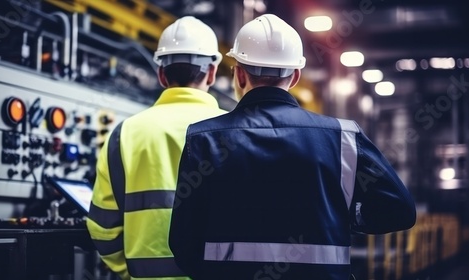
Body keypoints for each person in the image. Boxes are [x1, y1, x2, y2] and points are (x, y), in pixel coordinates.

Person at [169, 14, 416, 280]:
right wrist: (345, 215)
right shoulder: (344, 136)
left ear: (239, 74)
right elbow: (400, 211)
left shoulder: (203, 138)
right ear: (296, 76)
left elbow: (182, 242)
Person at [87, 16, 227, 280]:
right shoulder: (233, 132)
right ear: (211, 72)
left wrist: (130, 271)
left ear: (161, 74)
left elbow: (101, 227)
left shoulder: (124, 134)